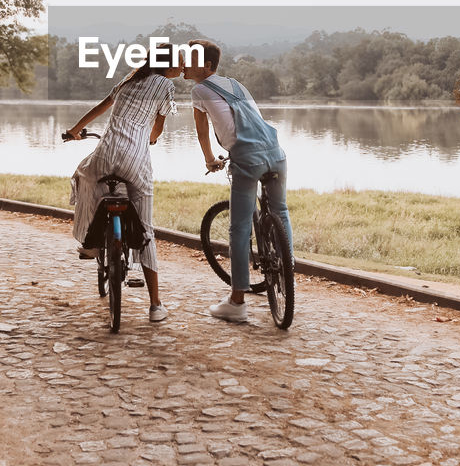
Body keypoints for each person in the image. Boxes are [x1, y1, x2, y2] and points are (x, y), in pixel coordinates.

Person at [182, 39, 292, 323]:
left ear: (206, 66)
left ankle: (237, 302)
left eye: (189, 58)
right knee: (280, 212)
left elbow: (203, 133)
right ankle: (286, 270)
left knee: (240, 228)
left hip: (247, 157)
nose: (183, 62)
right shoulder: (236, 84)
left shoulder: (199, 90)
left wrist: (210, 161)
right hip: (276, 153)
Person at [65, 58, 180, 323]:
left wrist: (74, 131)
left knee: (83, 175)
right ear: (168, 66)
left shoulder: (127, 82)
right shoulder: (165, 85)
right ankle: (155, 306)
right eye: (181, 64)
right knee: (146, 228)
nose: (183, 69)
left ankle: (89, 243)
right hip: (135, 161)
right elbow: (158, 127)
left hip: (104, 154)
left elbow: (100, 108)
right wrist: (151, 138)